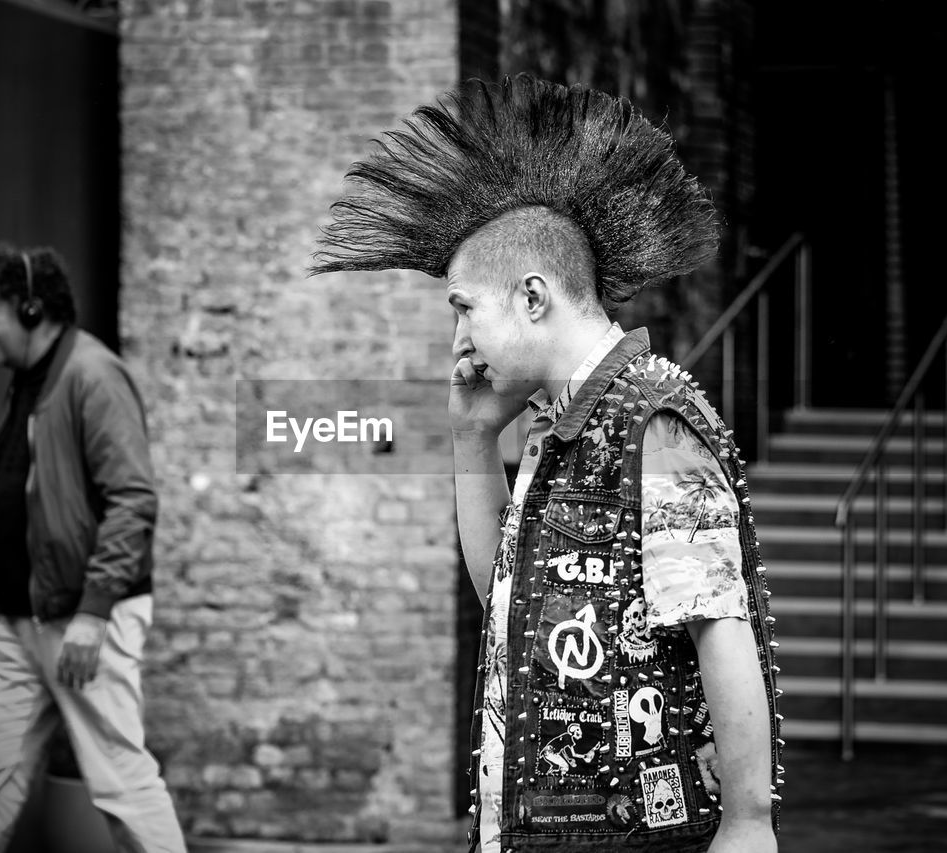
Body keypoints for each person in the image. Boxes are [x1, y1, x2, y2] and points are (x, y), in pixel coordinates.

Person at [311, 75, 782, 852]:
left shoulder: (653, 422)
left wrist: (747, 823)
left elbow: (718, 628)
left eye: (464, 308)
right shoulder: (553, 427)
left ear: (532, 298)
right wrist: (470, 437)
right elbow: (507, 594)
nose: (458, 339)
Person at [0, 243, 187, 852]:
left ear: (29, 310)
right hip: (23, 620)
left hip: (81, 622)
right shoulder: (32, 378)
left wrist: (93, 612)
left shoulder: (91, 375)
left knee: (121, 783)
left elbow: (133, 500)